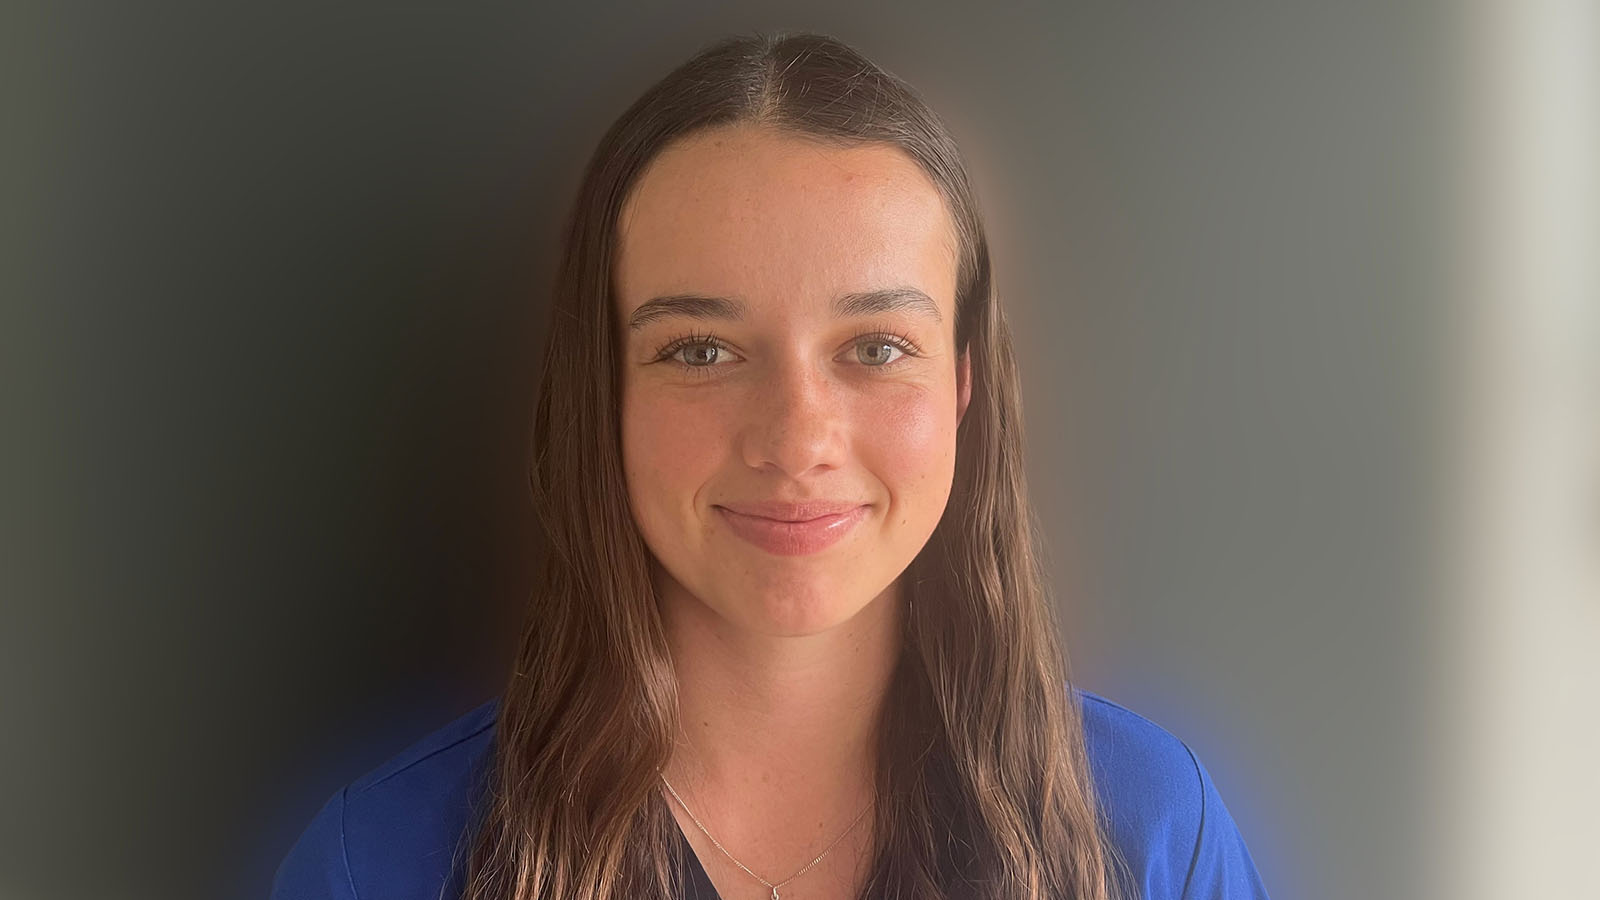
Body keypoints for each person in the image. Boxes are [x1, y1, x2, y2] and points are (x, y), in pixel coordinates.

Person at [271, 31, 1271, 900]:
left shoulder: (1149, 834)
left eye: (874, 348)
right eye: (700, 352)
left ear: (962, 389)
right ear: (600, 392)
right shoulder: (382, 865)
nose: (796, 440)